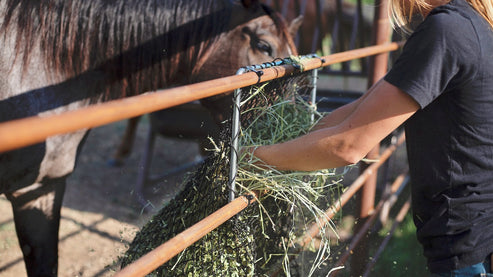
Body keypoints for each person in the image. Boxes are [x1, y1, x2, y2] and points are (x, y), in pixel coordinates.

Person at [250, 0, 493, 275]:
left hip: (470, 249)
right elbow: (361, 109)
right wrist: (295, 139)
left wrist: (248, 160)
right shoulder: (474, 22)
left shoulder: (446, 30)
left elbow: (348, 146)